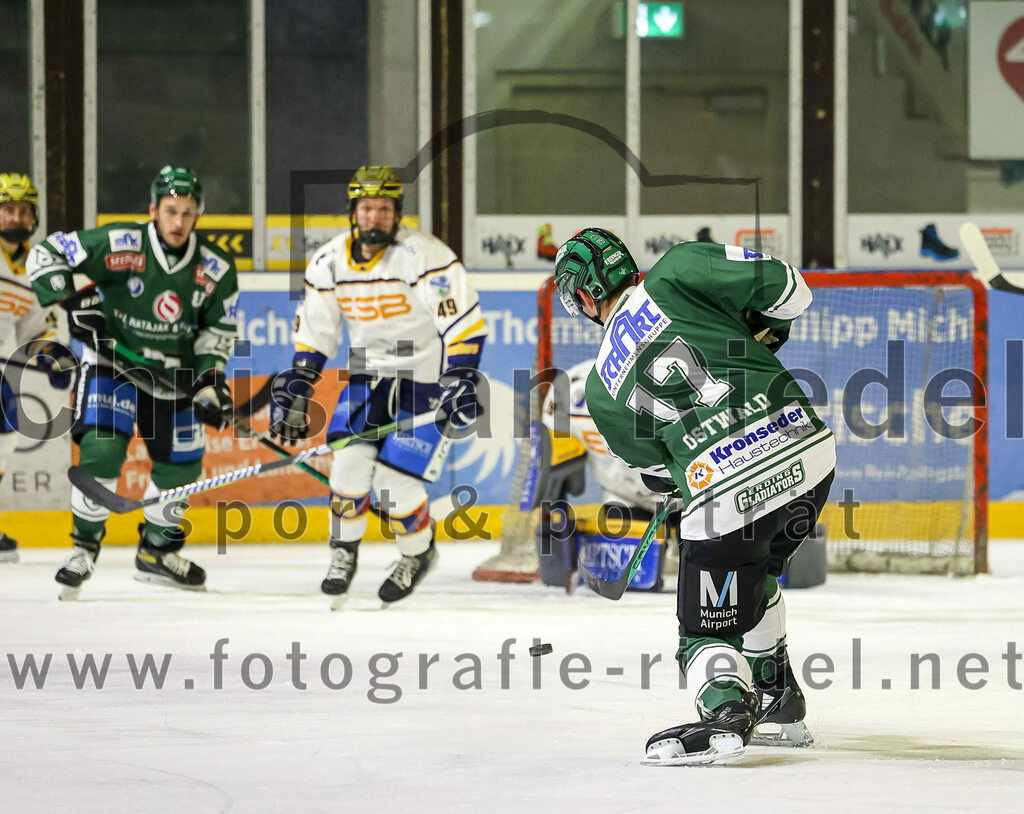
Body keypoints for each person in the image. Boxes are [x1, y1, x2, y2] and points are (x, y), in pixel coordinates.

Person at [554, 228, 836, 765]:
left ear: (586, 296)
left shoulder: (599, 390)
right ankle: (778, 696)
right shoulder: (681, 268)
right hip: (809, 454)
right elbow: (793, 291)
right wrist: (760, 335)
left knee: (703, 631)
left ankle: (727, 711)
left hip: (729, 492)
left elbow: (660, 477)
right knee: (753, 577)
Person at [270, 165, 487, 609]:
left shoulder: (424, 255)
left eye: (384, 208)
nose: (375, 217)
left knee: (393, 487)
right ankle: (342, 554)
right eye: (367, 207)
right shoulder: (329, 262)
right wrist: (298, 386)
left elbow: (462, 322)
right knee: (347, 469)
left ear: (396, 213)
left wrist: (462, 377)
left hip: (426, 386)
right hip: (368, 378)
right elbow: (317, 331)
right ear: (353, 212)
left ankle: (417, 554)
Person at [26, 166, 239, 599]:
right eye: (170, 211)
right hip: (113, 364)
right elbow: (43, 255)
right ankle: (84, 548)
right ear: (153, 210)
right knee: (102, 450)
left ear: (198, 215)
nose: (178, 222)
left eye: (188, 212)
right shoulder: (121, 243)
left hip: (174, 378)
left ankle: (156, 552)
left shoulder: (216, 267)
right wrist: (71, 299)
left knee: (181, 471)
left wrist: (209, 381)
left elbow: (216, 333)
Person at [0, 172, 77, 563]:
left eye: (22, 211)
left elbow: (33, 327)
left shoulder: (34, 267)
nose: (15, 217)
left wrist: (53, 354)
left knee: (2, 437)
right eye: (7, 210)